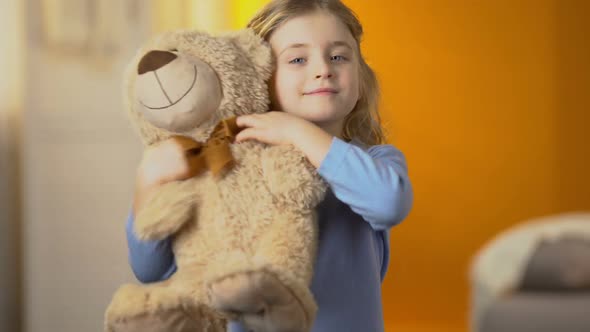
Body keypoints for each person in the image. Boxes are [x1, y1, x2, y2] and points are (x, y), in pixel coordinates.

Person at [126, 0, 413, 331]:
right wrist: (146, 185)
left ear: (361, 76)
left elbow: (388, 203)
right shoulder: (225, 168)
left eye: (338, 56)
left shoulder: (375, 161)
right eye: (297, 59)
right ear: (262, 74)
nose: (323, 69)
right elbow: (151, 270)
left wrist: (296, 131)